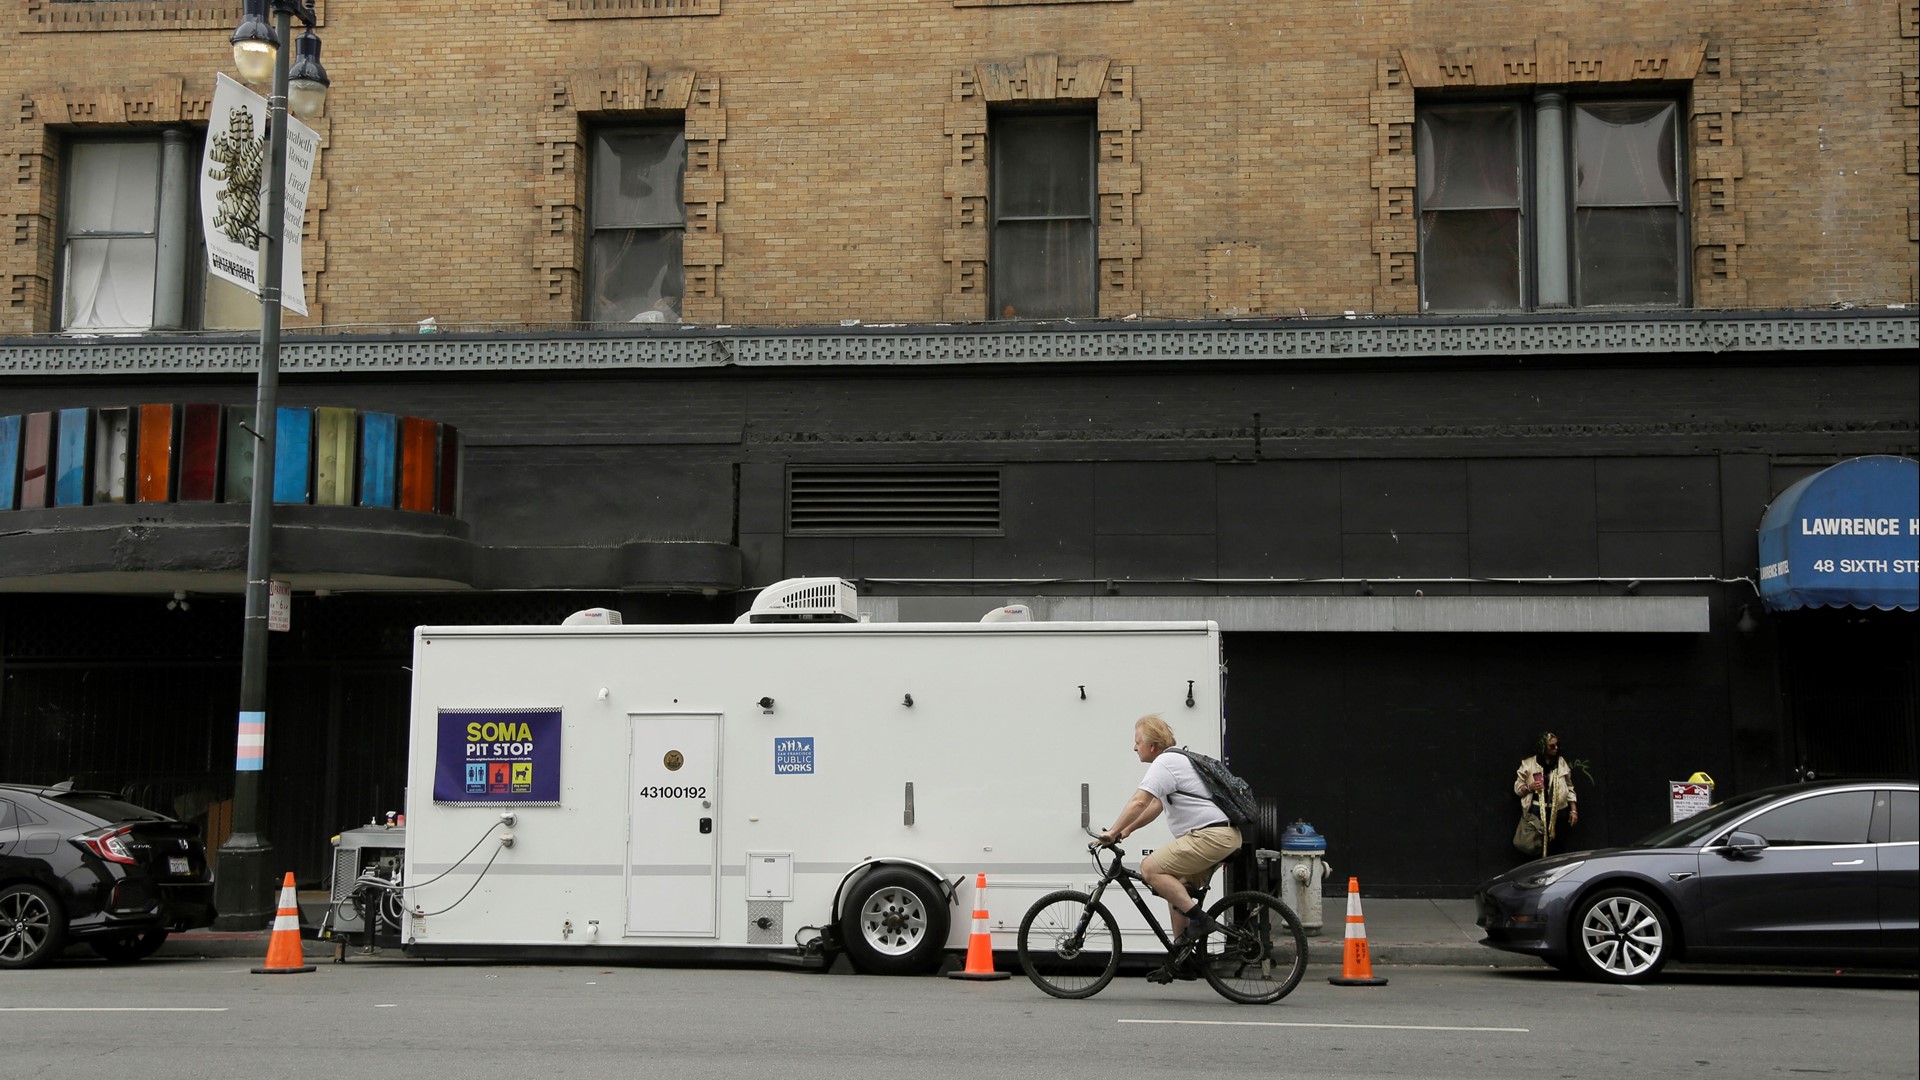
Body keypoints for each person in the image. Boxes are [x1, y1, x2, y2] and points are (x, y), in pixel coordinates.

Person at [1098, 714, 1243, 975]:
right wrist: (1126, 831)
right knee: (1176, 887)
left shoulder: (1165, 762)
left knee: (1150, 869)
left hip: (1211, 836)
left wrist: (1112, 831)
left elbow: (1139, 801)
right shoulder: (1176, 761)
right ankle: (1182, 958)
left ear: (1152, 746)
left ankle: (1201, 921)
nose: (1134, 747)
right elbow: (1155, 805)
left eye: (1137, 742)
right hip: (1220, 836)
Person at [1513, 731, 1579, 856]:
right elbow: (1518, 789)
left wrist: (1573, 810)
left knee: (1557, 846)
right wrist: (1529, 787)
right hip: (1537, 811)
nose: (1556, 748)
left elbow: (1569, 786)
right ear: (1543, 747)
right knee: (1536, 845)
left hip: (1559, 812)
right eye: (1552, 746)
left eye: (1557, 745)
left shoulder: (1560, 762)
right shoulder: (1528, 764)